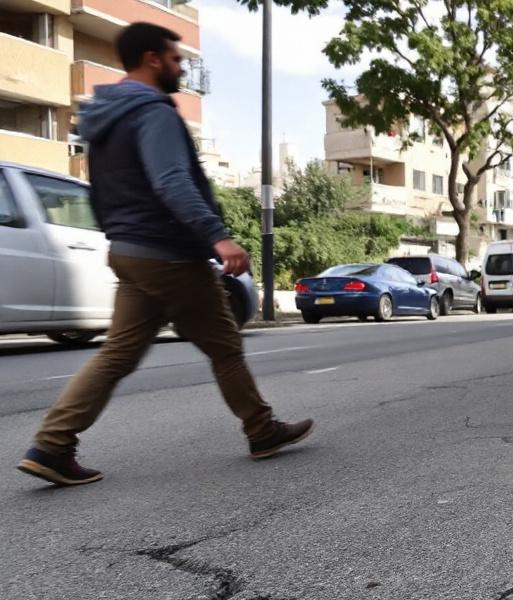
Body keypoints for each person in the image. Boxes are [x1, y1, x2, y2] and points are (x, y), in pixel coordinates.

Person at [16, 22, 312, 487]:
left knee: (118, 354)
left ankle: (51, 445)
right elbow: (171, 181)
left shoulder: (105, 118)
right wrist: (217, 237)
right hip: (169, 253)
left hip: (130, 250)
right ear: (151, 59)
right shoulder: (152, 112)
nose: (182, 69)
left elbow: (103, 189)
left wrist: (121, 234)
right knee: (225, 347)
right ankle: (261, 430)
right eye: (176, 59)